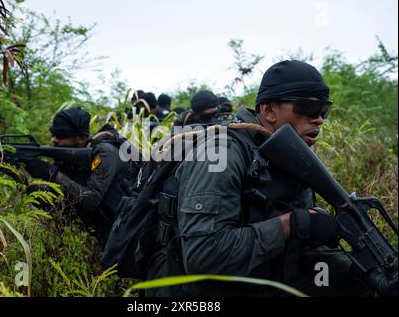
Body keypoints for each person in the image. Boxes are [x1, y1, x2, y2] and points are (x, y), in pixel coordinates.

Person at [146, 60, 380, 297]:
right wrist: (291, 225)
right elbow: (203, 256)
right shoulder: (221, 154)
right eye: (307, 108)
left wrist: (356, 268)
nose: (318, 119)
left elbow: (298, 246)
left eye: (323, 111)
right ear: (268, 111)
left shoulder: (287, 153)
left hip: (260, 275)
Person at [23, 107, 137, 248]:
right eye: (53, 135)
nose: (54, 140)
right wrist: (21, 177)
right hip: (108, 229)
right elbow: (57, 197)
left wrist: (53, 173)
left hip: (132, 231)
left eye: (60, 136)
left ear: (80, 138)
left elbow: (91, 199)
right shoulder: (74, 157)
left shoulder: (106, 153)